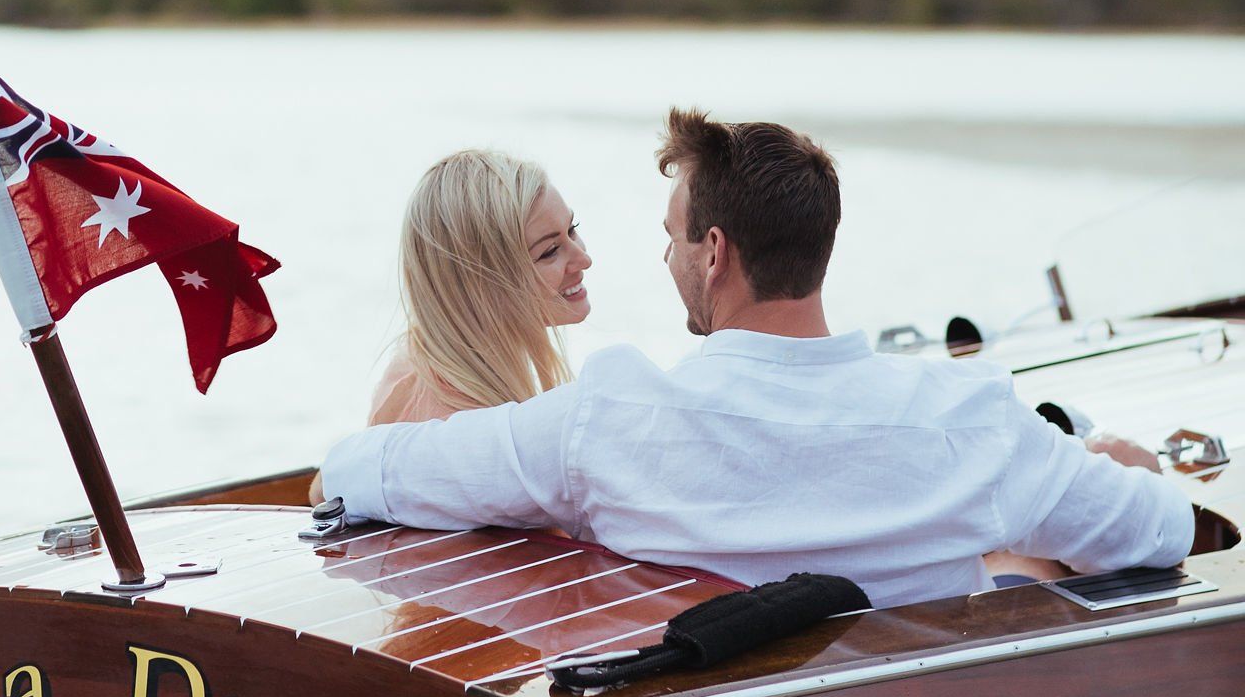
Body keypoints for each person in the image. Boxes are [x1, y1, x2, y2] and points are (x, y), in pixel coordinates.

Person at [316, 110, 1193, 611]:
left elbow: (355, 471)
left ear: (713, 255)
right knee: (1035, 564)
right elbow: (1162, 533)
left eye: (671, 237)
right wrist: (1121, 469)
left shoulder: (604, 420)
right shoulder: (973, 420)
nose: (660, 257)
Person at [365, 149, 593, 424]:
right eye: (549, 251)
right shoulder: (458, 424)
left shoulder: (423, 360)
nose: (585, 259)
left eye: (572, 229)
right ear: (479, 284)